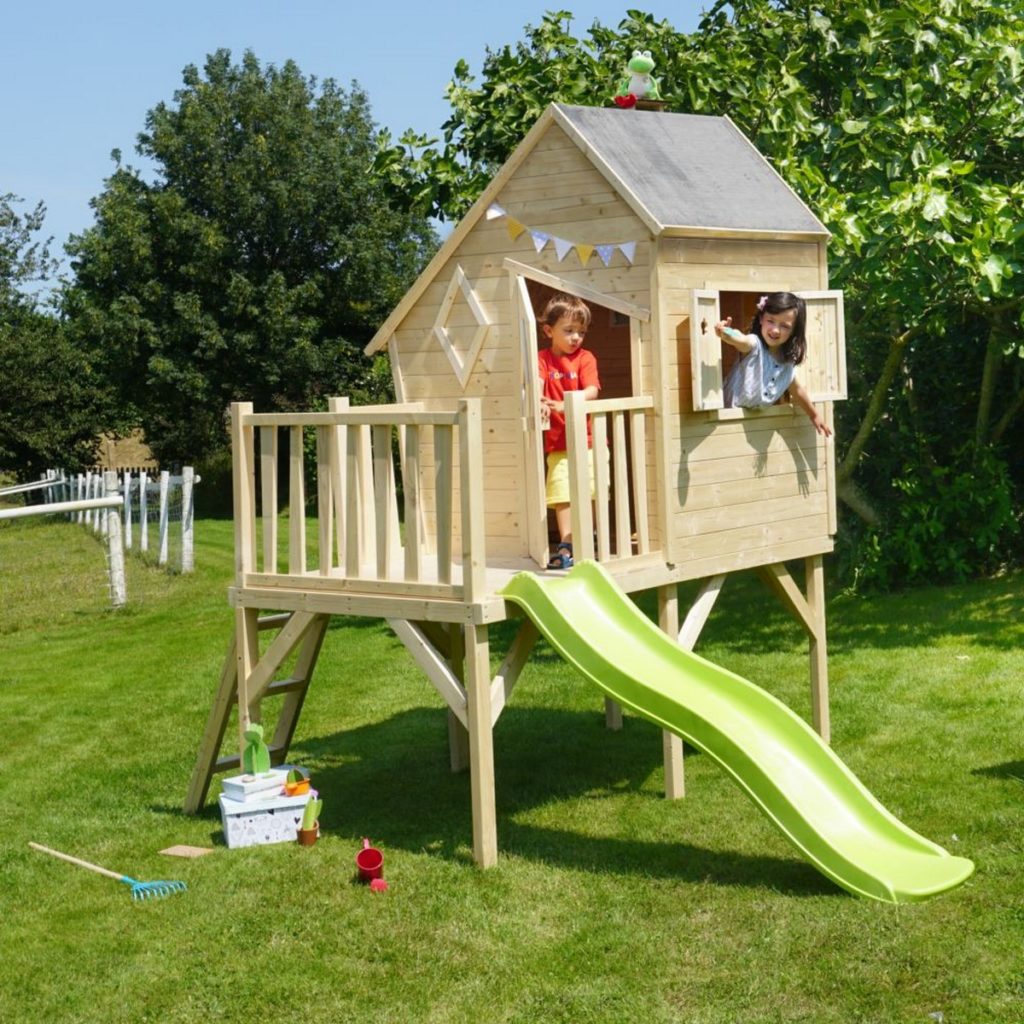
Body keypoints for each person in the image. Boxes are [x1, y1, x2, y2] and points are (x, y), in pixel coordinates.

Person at [537, 293, 601, 569]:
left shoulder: (585, 358)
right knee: (562, 493)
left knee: (591, 489)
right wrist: (539, 402)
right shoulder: (542, 358)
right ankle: (567, 544)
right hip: (558, 442)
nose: (576, 337)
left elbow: (592, 391)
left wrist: (565, 404)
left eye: (581, 332)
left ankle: (591, 538)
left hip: (588, 440)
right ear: (549, 331)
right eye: (569, 331)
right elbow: (537, 384)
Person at [716, 292, 832, 437]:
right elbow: (740, 339)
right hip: (725, 418)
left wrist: (814, 415)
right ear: (761, 319)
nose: (775, 330)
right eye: (771, 321)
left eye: (784, 326)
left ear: (794, 331)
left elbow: (797, 390)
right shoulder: (754, 345)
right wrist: (725, 332)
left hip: (752, 426)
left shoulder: (786, 364)